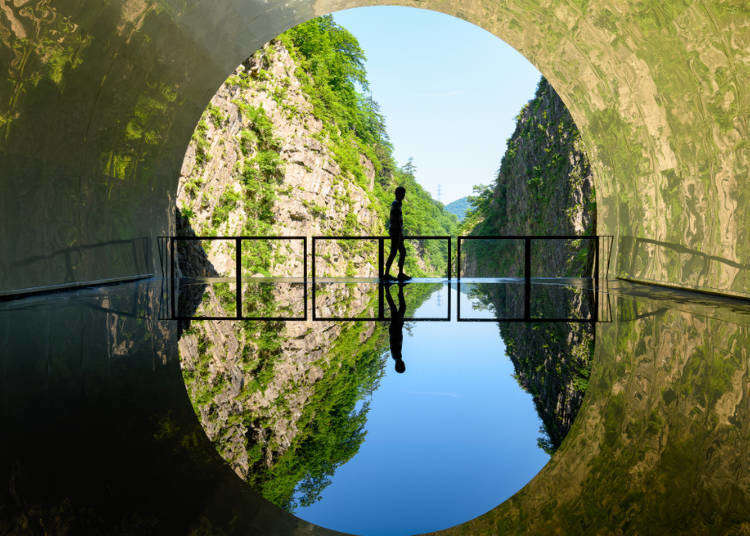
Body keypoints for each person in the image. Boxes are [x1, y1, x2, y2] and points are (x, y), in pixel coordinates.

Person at [382, 186, 411, 281]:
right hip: (396, 232)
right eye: (402, 193)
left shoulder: (397, 203)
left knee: (398, 252)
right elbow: (397, 220)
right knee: (397, 252)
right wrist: (400, 233)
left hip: (395, 231)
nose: (403, 195)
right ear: (398, 194)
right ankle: (393, 274)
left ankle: (395, 273)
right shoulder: (396, 204)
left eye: (403, 193)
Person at [385, 281, 407, 373]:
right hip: (395, 328)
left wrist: (398, 327)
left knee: (401, 307)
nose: (403, 364)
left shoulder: (397, 356)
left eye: (402, 365)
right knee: (394, 308)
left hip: (396, 328)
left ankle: (398, 288)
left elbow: (395, 340)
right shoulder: (396, 357)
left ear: (400, 365)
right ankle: (388, 289)